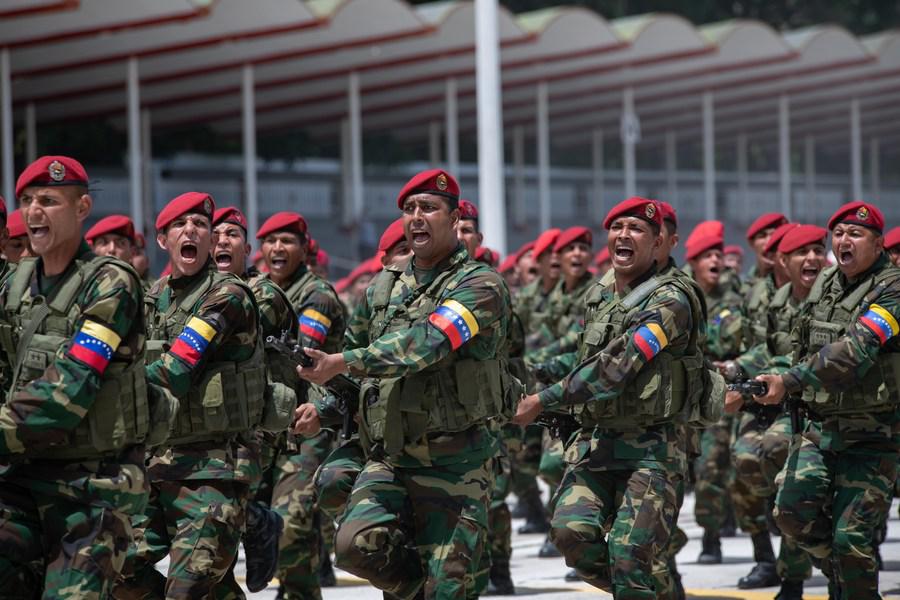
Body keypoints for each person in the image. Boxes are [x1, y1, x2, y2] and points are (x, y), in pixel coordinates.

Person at [295, 168, 514, 600]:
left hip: (456, 463)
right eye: (409, 209)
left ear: (454, 220)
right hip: (391, 457)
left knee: (449, 589)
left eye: (428, 208)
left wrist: (342, 361)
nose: (416, 217)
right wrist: (321, 405)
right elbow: (353, 366)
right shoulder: (382, 288)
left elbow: (429, 342)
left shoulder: (480, 285)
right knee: (354, 547)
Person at [514, 196, 708, 599]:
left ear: (658, 242)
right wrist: (535, 373)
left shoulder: (672, 299)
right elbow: (589, 353)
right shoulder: (602, 292)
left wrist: (545, 399)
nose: (623, 235)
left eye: (636, 229)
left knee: (628, 554)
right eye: (617, 228)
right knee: (571, 535)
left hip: (652, 448)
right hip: (598, 442)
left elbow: (619, 363)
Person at [0, 156, 149, 598]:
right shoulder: (13, 284)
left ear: (82, 208)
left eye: (48, 200)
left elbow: (68, 389)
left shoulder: (110, 285)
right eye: (27, 201)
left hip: (92, 488)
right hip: (22, 478)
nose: (33, 211)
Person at [115, 191, 265, 599]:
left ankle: (253, 516)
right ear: (163, 240)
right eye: (180, 225)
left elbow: (178, 366)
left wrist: (106, 393)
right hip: (154, 468)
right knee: (112, 568)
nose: (192, 231)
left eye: (200, 225)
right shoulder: (149, 299)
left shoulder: (227, 295)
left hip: (213, 470)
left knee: (187, 589)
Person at [755, 201, 900, 600]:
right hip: (821, 430)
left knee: (851, 538)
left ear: (877, 242)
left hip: (873, 438)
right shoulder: (827, 285)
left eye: (855, 234)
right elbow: (800, 348)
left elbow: (853, 351)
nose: (843, 241)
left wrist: (788, 380)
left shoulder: (893, 289)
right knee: (790, 514)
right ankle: (842, 573)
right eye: (837, 234)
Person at [257, 211, 347, 600]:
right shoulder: (256, 290)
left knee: (291, 520)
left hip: (309, 419)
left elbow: (301, 354)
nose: (278, 248)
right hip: (266, 420)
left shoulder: (317, 294)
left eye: (288, 241)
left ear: (304, 248)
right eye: (271, 241)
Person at [211, 206, 297, 594]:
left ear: (247, 248)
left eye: (231, 234)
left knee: (218, 518)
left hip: (251, 427)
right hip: (204, 423)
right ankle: (256, 521)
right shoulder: (186, 293)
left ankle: (257, 521)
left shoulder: (262, 296)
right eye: (215, 234)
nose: (221, 241)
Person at [684, 229, 744, 565]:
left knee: (712, 468)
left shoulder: (735, 300)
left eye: (719, 255)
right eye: (708, 255)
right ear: (693, 261)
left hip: (721, 396)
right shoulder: (682, 297)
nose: (716, 261)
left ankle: (711, 537)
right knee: (690, 471)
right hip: (685, 397)